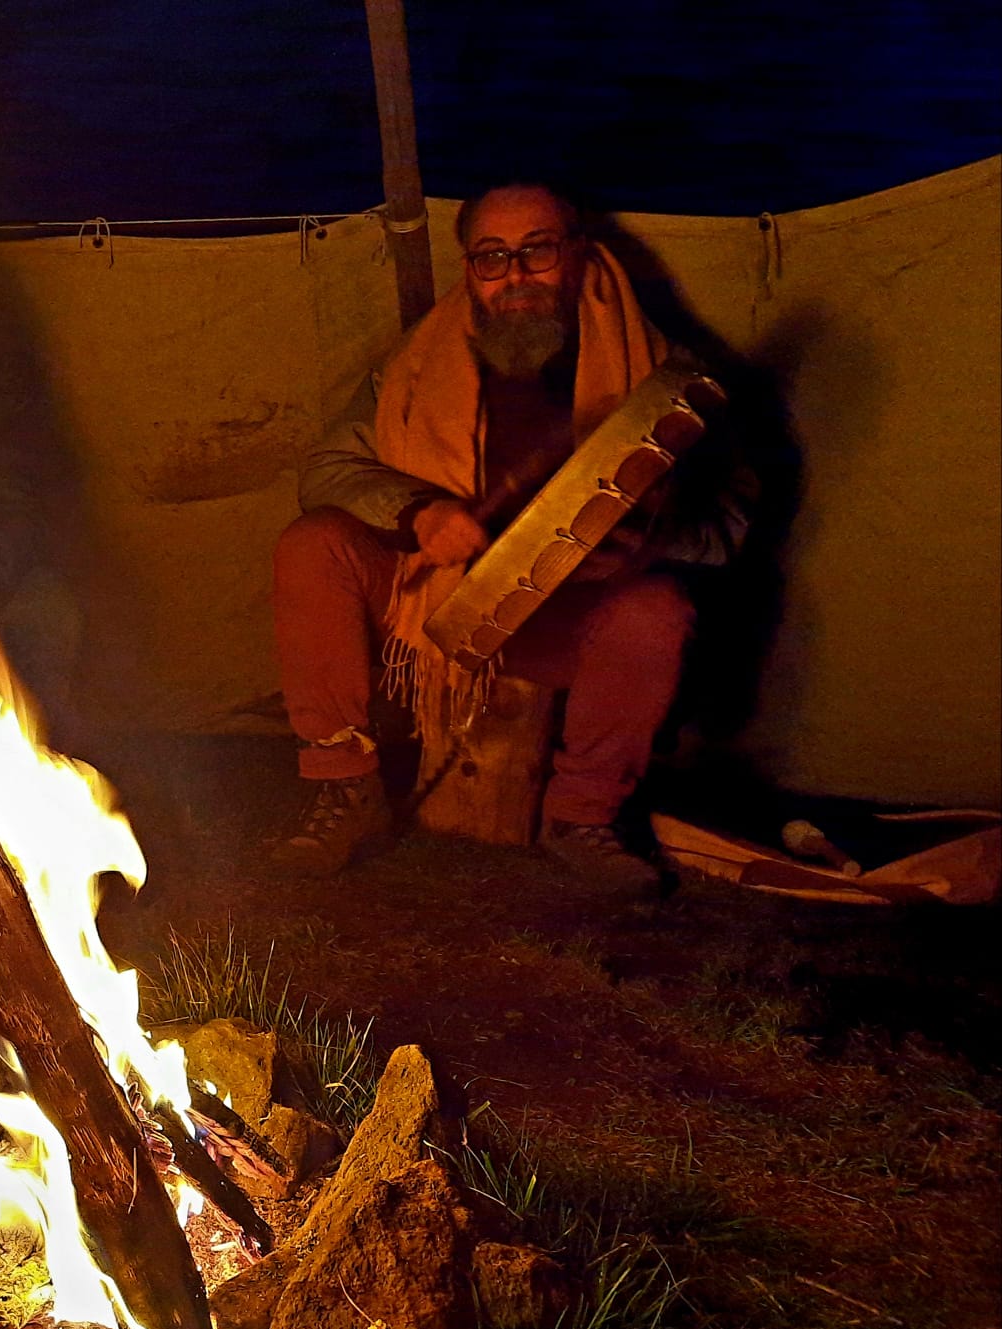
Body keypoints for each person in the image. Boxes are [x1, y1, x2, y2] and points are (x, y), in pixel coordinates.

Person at [270, 184, 752, 893]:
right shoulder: (416, 366)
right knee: (314, 545)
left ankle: (581, 817)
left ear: (578, 253)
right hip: (433, 597)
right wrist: (419, 510)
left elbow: (731, 524)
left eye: (538, 251)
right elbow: (326, 470)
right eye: (493, 258)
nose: (516, 276)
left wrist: (641, 539)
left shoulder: (657, 368)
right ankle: (346, 788)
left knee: (656, 612)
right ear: (470, 269)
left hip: (568, 611)